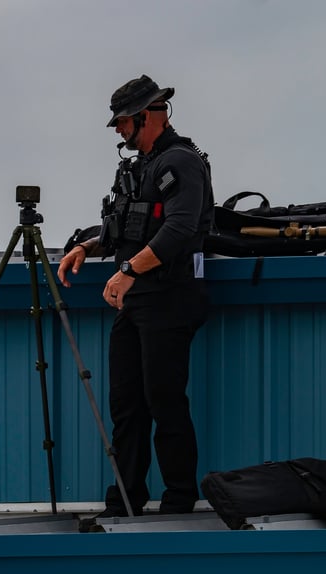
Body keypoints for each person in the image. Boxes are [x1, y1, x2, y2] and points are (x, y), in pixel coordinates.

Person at [57, 75, 214, 530]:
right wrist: (87, 246)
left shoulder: (182, 162)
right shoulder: (137, 167)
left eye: (124, 122)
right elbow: (122, 226)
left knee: (164, 400)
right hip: (136, 301)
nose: (119, 131)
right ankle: (124, 500)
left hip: (171, 297)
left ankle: (178, 503)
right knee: (126, 403)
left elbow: (180, 229)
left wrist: (126, 272)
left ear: (149, 115)